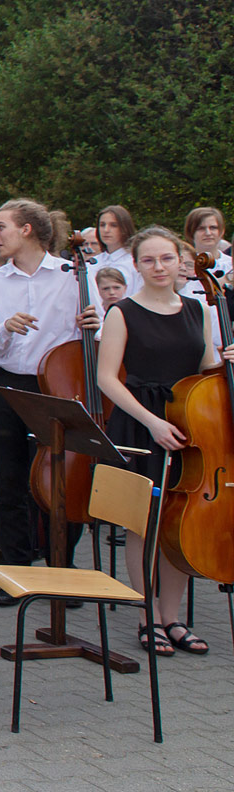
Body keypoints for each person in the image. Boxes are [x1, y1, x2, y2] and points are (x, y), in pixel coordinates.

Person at [96, 225, 233, 658]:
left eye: (167, 259)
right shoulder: (123, 312)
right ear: (136, 265)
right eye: (150, 260)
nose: (159, 267)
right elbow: (106, 379)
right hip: (143, 424)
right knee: (144, 522)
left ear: (181, 262)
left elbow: (205, 368)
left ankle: (173, 618)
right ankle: (146, 616)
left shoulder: (199, 309)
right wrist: (152, 421)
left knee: (180, 522)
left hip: (188, 425)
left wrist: (225, 361)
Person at [0, 198, 101, 572]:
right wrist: (6, 329)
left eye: (1, 227)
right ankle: (16, 564)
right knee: (11, 479)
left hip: (60, 388)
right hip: (11, 385)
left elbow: (101, 332)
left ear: (26, 229)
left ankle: (61, 564)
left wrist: (97, 325)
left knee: (60, 481)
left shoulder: (74, 273)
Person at [181, 206, 231, 302]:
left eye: (213, 228)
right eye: (201, 228)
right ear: (191, 232)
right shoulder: (182, 265)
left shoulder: (230, 265)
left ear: (221, 231)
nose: (208, 233)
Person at [92, 205, 140, 296]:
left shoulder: (133, 263)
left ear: (125, 228)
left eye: (113, 225)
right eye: (102, 225)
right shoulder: (93, 263)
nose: (106, 230)